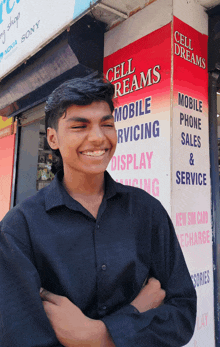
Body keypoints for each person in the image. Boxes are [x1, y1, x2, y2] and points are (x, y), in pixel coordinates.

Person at [0, 74, 196, 347]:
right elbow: (21, 337)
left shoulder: (147, 211)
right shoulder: (19, 229)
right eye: (80, 126)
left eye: (107, 124)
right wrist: (136, 312)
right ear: (53, 138)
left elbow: (182, 315)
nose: (98, 137)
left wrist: (96, 336)